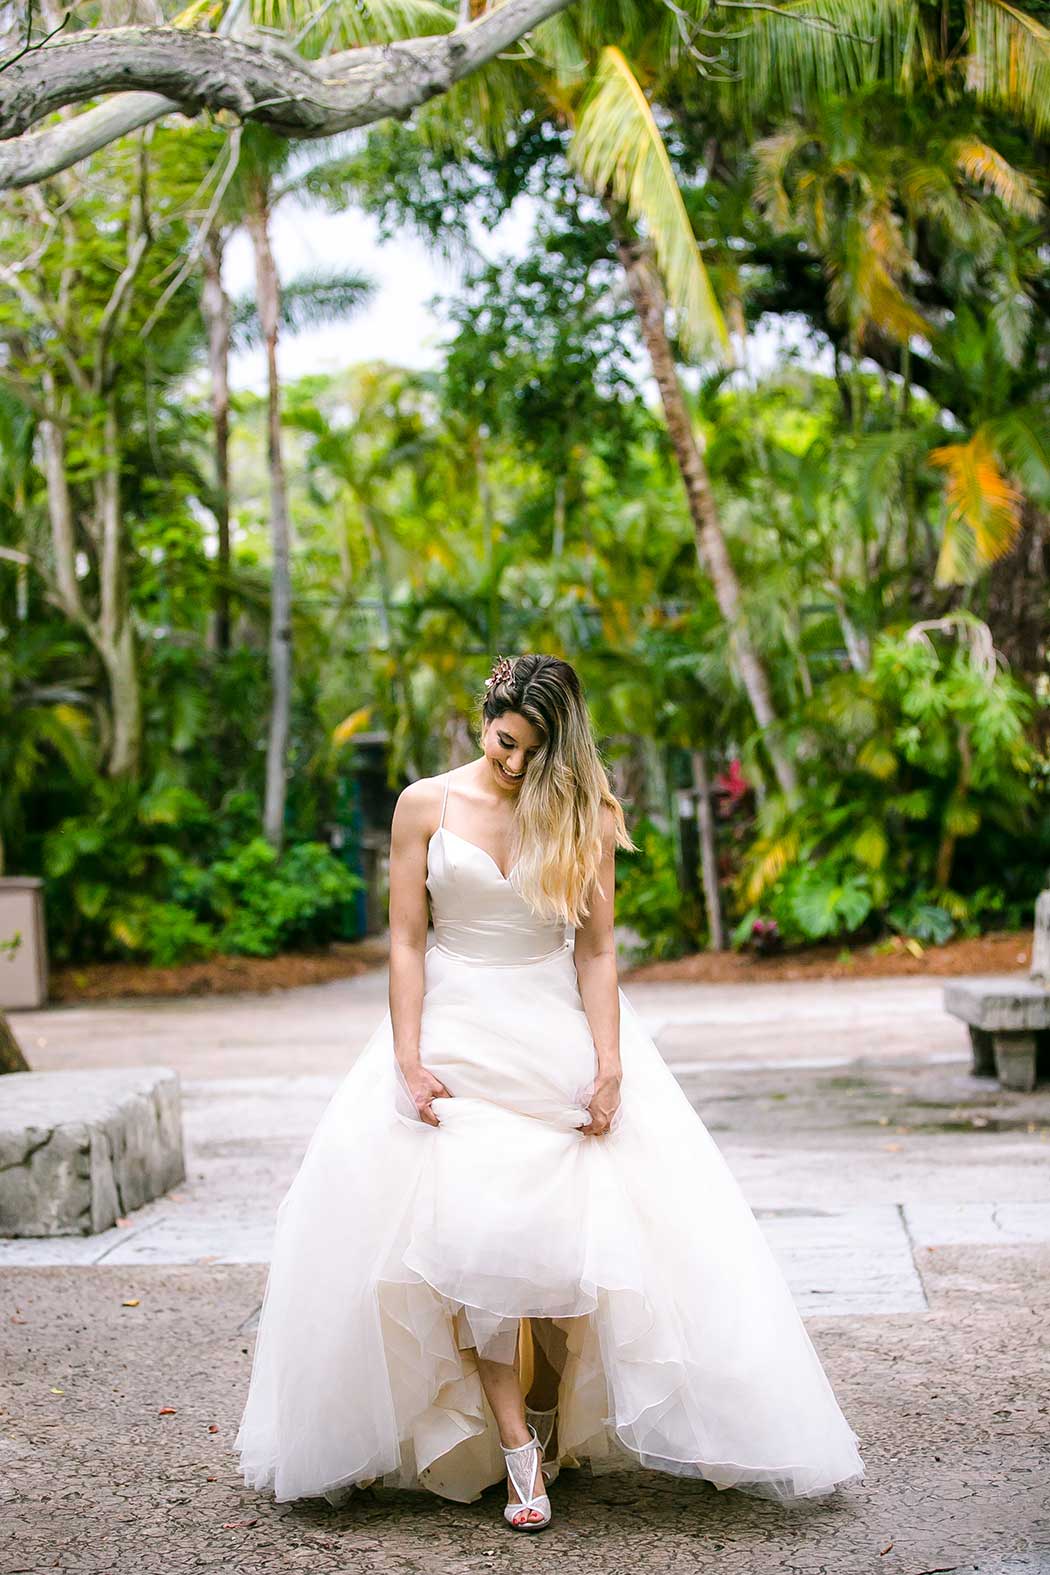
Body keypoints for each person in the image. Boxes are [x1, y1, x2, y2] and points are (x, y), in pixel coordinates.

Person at [235, 652, 865, 1532]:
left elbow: (596, 949)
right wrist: (408, 1058)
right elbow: (409, 943)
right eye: (504, 743)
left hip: (551, 1030)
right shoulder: (426, 803)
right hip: (455, 1034)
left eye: (535, 750)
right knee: (472, 1232)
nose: (516, 764)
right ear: (483, 717)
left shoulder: (585, 812)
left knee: (574, 1243)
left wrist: (610, 1064)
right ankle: (518, 1453)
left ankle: (551, 1420)